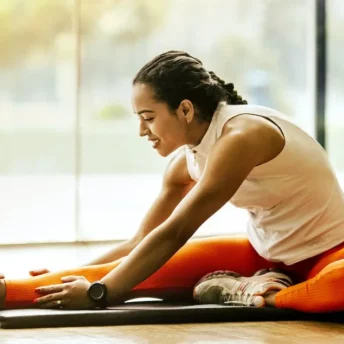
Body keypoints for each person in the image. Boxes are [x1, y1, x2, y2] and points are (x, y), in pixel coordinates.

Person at [1, 50, 344, 312]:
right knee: (131, 271)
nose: (141, 131)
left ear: (185, 110)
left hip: (330, 254)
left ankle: (262, 294)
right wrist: (73, 272)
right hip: (264, 257)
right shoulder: (186, 161)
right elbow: (141, 242)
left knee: (337, 285)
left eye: (148, 118)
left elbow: (176, 231)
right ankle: (6, 290)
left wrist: (99, 293)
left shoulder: (242, 137)